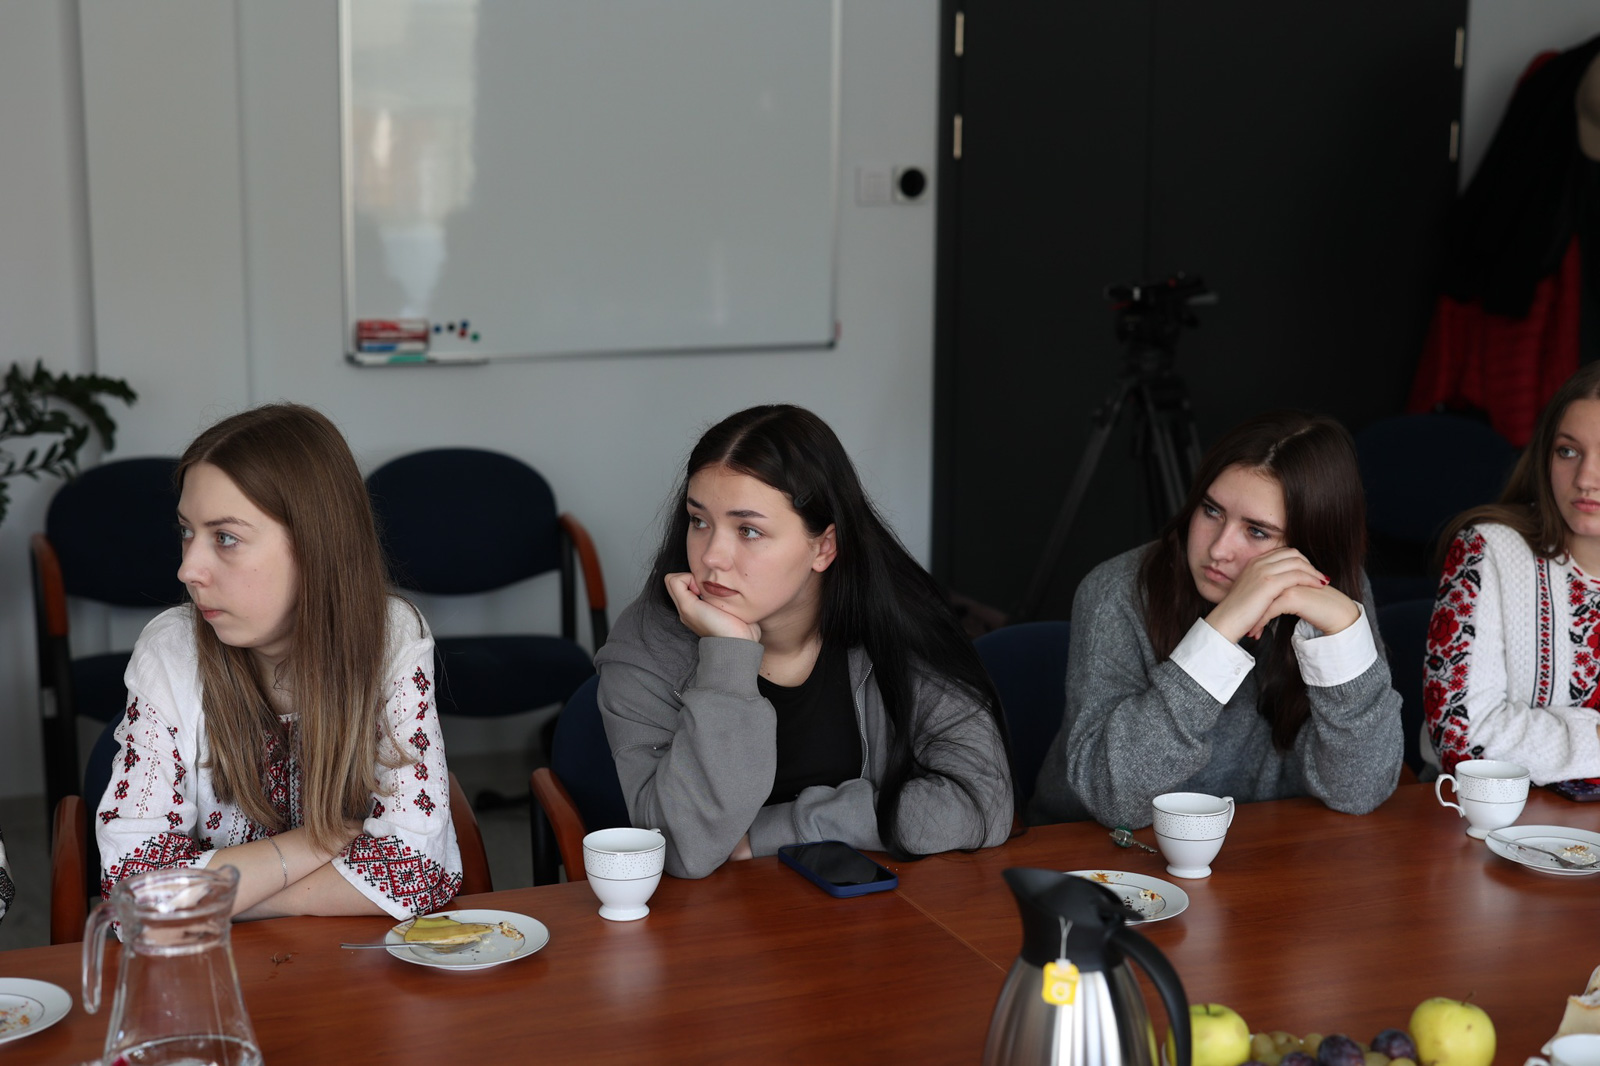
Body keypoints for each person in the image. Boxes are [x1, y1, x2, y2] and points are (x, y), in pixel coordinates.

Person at [596, 404, 1014, 879]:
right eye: (699, 521)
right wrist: (728, 658)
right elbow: (678, 849)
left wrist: (773, 832)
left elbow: (983, 802)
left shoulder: (900, 623)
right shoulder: (647, 645)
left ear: (824, 547)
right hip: (711, 918)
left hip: (872, 910)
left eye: (748, 530)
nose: (712, 556)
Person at [96, 403, 461, 919]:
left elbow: (415, 872)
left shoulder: (391, 635)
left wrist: (213, 893)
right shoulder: (170, 649)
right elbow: (134, 893)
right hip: (219, 961)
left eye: (226, 538)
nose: (188, 569)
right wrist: (314, 844)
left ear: (316, 546)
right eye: (186, 531)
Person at [1030, 412, 1403, 828]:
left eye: (1257, 531)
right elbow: (1114, 799)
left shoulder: (1331, 597)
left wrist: (1344, 633)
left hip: (1267, 846)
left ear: (1311, 544)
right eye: (1211, 510)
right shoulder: (1115, 593)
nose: (1218, 549)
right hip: (1097, 849)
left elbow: (1359, 791)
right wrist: (1219, 632)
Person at [1426, 363, 1600, 782]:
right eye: (1568, 451)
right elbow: (1462, 739)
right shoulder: (1487, 549)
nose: (1585, 479)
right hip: (1486, 813)